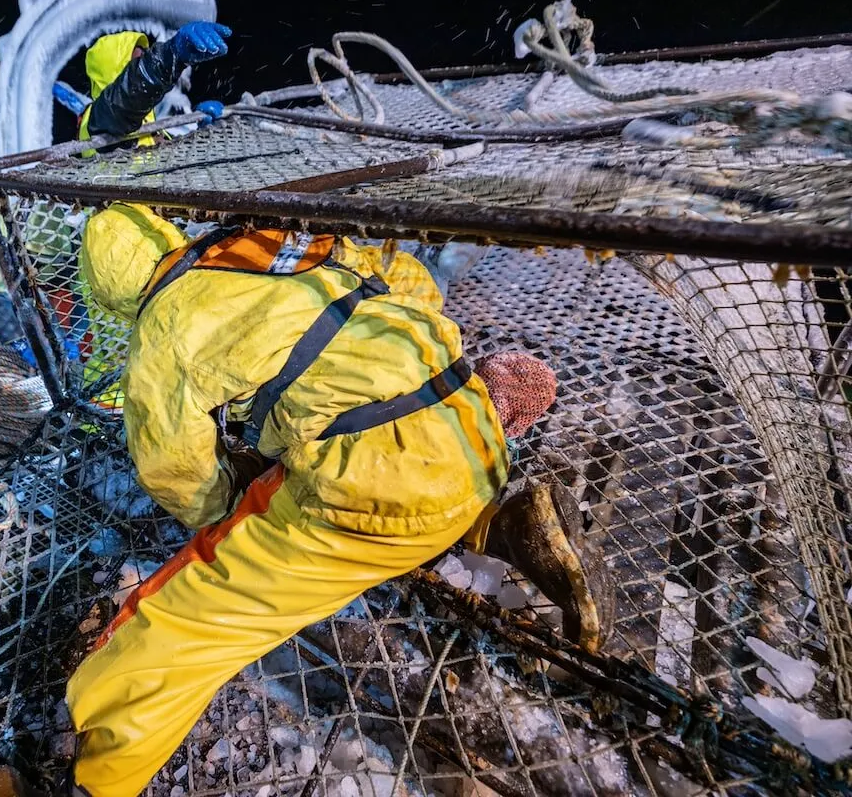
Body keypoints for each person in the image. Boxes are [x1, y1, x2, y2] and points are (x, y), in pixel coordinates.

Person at [65, 210, 617, 796]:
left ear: (115, 289)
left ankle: (95, 775)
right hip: (470, 427)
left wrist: (231, 512)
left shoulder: (164, 322)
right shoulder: (266, 247)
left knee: (188, 619)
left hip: (376, 482)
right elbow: (410, 282)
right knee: (374, 468)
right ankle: (502, 521)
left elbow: (173, 469)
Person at [0, 23, 229, 385]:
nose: (142, 67)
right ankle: (100, 426)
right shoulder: (99, 124)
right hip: (119, 260)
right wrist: (168, 58)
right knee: (120, 364)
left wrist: (204, 134)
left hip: (159, 252)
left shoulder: (150, 133)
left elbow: (175, 174)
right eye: (135, 63)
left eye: (145, 60)